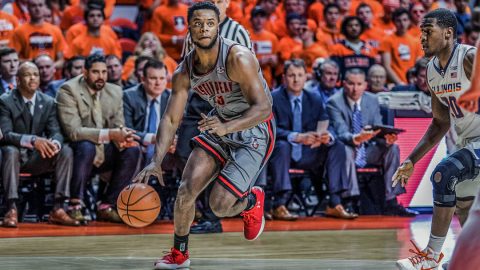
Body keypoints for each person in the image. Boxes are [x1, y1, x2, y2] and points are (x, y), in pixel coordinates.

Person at [132, 3, 274, 269]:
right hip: (219, 124)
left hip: (255, 129)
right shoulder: (184, 71)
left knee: (219, 205)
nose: (204, 28)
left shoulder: (238, 57)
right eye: (198, 23)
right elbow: (171, 118)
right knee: (186, 189)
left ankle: (252, 200)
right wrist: (156, 160)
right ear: (190, 29)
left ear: (218, 26)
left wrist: (227, 127)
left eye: (210, 23)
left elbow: (264, 108)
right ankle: (179, 254)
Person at [393, 9, 479, 270]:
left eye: (428, 31)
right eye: (421, 32)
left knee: (444, 174)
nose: (422, 37)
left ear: (449, 33)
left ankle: (430, 257)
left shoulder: (469, 58)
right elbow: (440, 122)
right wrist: (411, 160)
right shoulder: (432, 70)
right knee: (465, 206)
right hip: (467, 141)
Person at [178, 0, 253, 235]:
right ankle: (197, 209)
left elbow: (248, 74)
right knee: (183, 152)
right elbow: (185, 68)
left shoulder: (238, 32)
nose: (214, 4)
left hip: (226, 103)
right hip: (197, 100)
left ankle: (212, 216)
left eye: (219, 1)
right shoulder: (192, 30)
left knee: (216, 158)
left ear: (227, 4)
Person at [56, 54, 142, 224]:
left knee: (132, 149)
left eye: (104, 72)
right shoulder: (68, 90)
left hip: (103, 149)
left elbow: (119, 125)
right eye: (96, 72)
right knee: (86, 146)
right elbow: (73, 131)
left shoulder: (115, 91)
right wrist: (111, 135)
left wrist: (123, 137)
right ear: (85, 72)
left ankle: (107, 205)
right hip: (75, 151)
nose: (101, 76)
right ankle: (75, 206)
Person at [270, 59, 354, 220]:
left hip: (310, 152)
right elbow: (269, 129)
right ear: (284, 78)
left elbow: (327, 124)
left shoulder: (314, 99)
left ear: (306, 78)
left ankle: (334, 202)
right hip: (284, 155)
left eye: (300, 75)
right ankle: (279, 204)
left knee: (337, 146)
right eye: (292, 75)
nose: (296, 79)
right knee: (282, 145)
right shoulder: (273, 98)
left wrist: (326, 136)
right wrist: (296, 137)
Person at [0, 62, 79, 227]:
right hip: (14, 158)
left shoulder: (48, 101)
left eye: (35, 74)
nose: (33, 78)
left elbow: (56, 131)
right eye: (28, 75)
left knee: (65, 150)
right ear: (18, 79)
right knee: (10, 150)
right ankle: (11, 208)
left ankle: (58, 207)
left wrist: (54, 144)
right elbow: (5, 134)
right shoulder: (5, 101)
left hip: (39, 158)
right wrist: (33, 140)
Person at [327, 68, 413, 217]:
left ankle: (391, 201)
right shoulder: (334, 102)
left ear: (365, 85)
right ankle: (351, 199)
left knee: (393, 148)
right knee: (344, 149)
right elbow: (340, 132)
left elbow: (377, 128)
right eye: (351, 84)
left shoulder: (372, 99)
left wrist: (386, 139)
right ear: (343, 84)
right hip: (348, 149)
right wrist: (357, 138)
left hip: (369, 150)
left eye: (359, 84)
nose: (355, 88)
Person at [123, 59, 172, 165]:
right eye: (153, 78)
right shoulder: (129, 96)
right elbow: (127, 130)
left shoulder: (172, 98)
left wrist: (173, 140)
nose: (158, 83)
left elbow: (180, 127)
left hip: (166, 146)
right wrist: (153, 139)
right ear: (143, 79)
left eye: (162, 78)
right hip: (139, 145)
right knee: (132, 150)